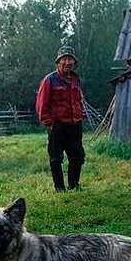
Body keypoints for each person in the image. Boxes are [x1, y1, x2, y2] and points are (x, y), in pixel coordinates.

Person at [36, 46, 86, 192]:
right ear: (58, 62)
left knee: (77, 156)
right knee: (56, 158)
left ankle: (74, 185)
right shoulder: (49, 80)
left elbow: (79, 100)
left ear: (74, 63)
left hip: (75, 124)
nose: (67, 62)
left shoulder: (76, 79)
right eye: (64, 59)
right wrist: (49, 124)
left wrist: (80, 115)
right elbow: (42, 104)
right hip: (57, 125)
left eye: (70, 59)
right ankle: (59, 188)